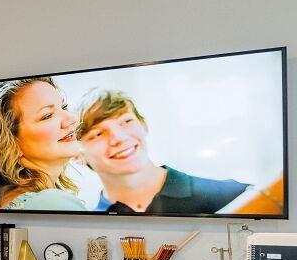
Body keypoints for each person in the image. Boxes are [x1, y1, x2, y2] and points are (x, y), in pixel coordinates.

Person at [76, 90, 248, 214]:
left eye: (126, 121)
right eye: (98, 134)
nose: (119, 138)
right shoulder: (89, 222)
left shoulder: (232, 195)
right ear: (78, 155)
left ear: (144, 125)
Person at [0, 76, 89, 211]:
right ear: (9, 142)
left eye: (64, 107)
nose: (72, 119)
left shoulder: (4, 201)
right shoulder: (52, 203)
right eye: (47, 116)